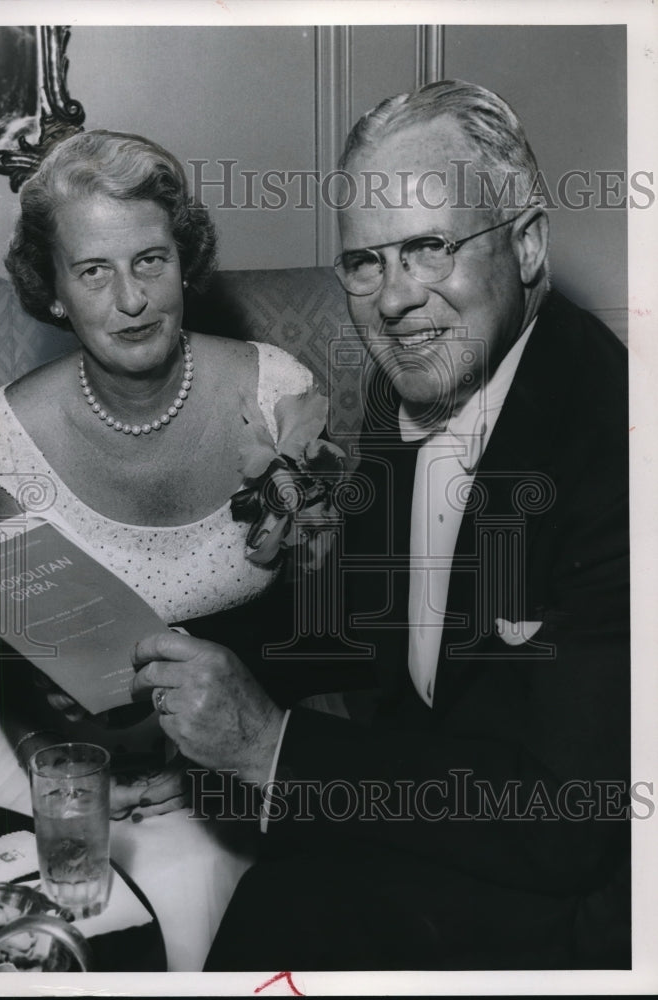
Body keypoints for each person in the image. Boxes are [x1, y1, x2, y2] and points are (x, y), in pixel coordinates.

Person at [131, 81, 630, 969]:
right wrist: (160, 653)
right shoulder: (419, 378)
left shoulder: (615, 445)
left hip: (587, 905)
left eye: (428, 249)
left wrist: (270, 745)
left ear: (526, 244)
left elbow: (569, 823)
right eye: (366, 263)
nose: (394, 301)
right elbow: (378, 627)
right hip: (442, 816)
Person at [0, 129, 325, 819]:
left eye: (150, 260)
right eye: (93, 271)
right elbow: (2, 663)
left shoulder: (280, 394)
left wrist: (221, 762)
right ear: (54, 290)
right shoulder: (6, 438)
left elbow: (328, 617)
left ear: (184, 264)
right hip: (90, 770)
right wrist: (64, 771)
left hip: (252, 763)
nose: (131, 300)